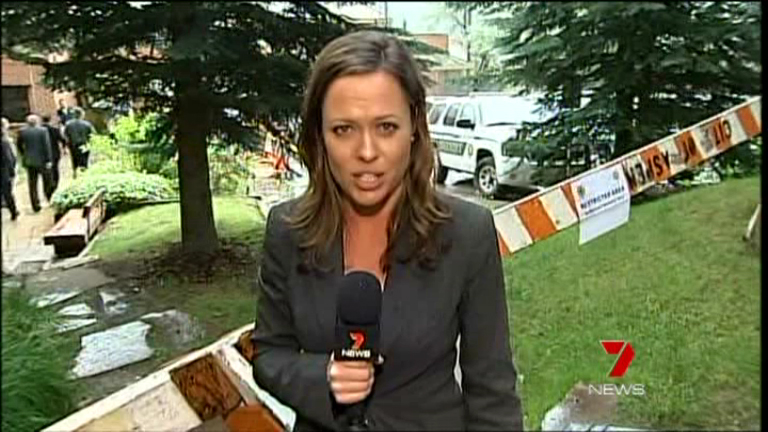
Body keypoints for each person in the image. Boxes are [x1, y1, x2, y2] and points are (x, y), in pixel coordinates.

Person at [251, 31, 523, 431]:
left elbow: (492, 390)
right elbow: (269, 354)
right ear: (319, 135)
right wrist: (324, 377)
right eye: (344, 129)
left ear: (414, 126)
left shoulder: (467, 233)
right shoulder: (287, 229)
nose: (367, 152)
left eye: (386, 127)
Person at [16, 114, 53, 213]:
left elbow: (19, 145)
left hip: (29, 161)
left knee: (32, 184)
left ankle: (35, 205)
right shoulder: (43, 131)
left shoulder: (22, 131)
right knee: (47, 181)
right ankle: (49, 198)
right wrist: (49, 160)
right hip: (42, 160)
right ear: (37, 121)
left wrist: (24, 154)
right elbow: (46, 146)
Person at [63, 106, 94, 175]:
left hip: (73, 145)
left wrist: (67, 144)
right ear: (82, 115)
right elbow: (92, 135)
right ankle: (85, 172)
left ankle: (75, 172)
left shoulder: (68, 124)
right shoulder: (87, 124)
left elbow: (65, 136)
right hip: (85, 145)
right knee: (84, 161)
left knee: (74, 160)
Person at [42, 114, 66, 193]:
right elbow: (63, 140)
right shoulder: (55, 130)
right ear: (50, 120)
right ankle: (55, 183)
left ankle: (48, 186)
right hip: (55, 152)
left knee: (46, 170)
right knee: (55, 169)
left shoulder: (40, 130)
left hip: (44, 154)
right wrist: (64, 148)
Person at [1, 117, 19, 220]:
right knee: (8, 193)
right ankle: (13, 212)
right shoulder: (4, 142)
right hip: (4, 172)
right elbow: (9, 159)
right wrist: (12, 172)